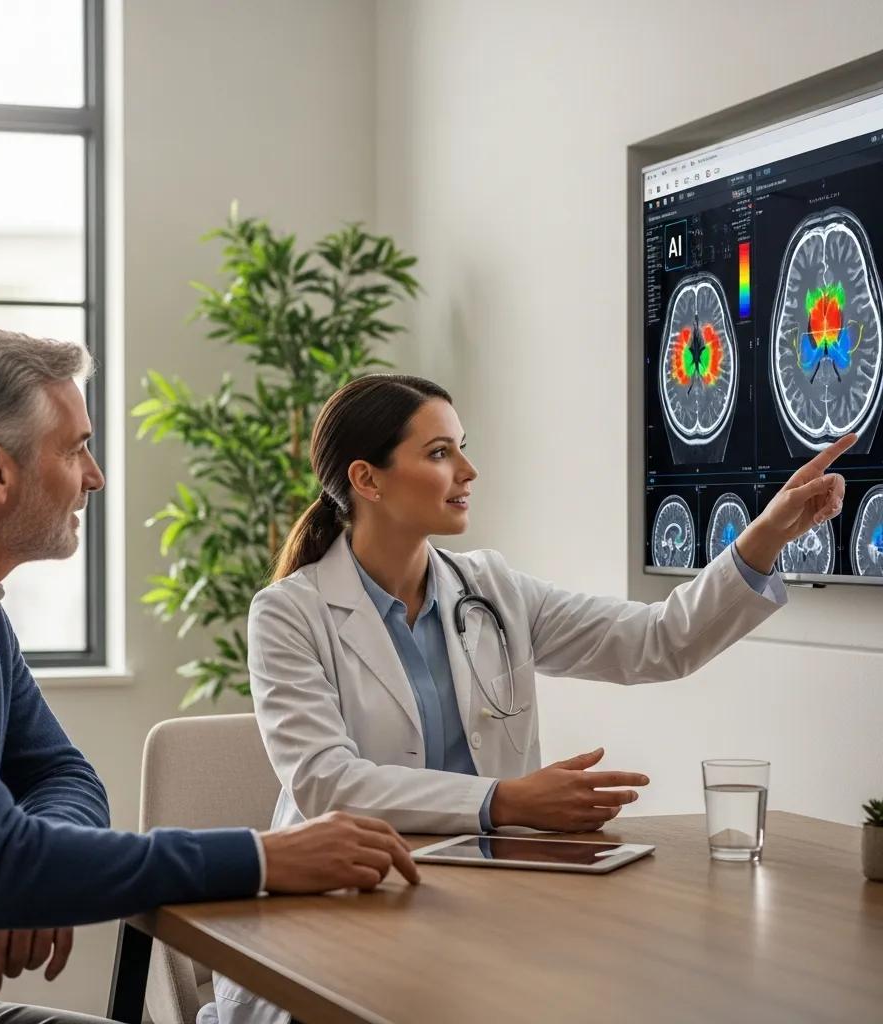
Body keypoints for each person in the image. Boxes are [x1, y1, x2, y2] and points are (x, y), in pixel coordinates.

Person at [221, 373, 852, 1024]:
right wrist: (508, 800)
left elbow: (659, 641)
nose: (468, 471)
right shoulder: (288, 614)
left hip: (483, 907)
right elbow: (326, 783)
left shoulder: (493, 589)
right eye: (440, 453)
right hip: (342, 905)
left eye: (462, 447)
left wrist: (770, 532)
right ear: (368, 479)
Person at [0, 329, 419, 1024]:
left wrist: (35, 878)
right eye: (74, 449)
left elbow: (63, 776)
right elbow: (5, 870)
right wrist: (267, 858)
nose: (93, 476)